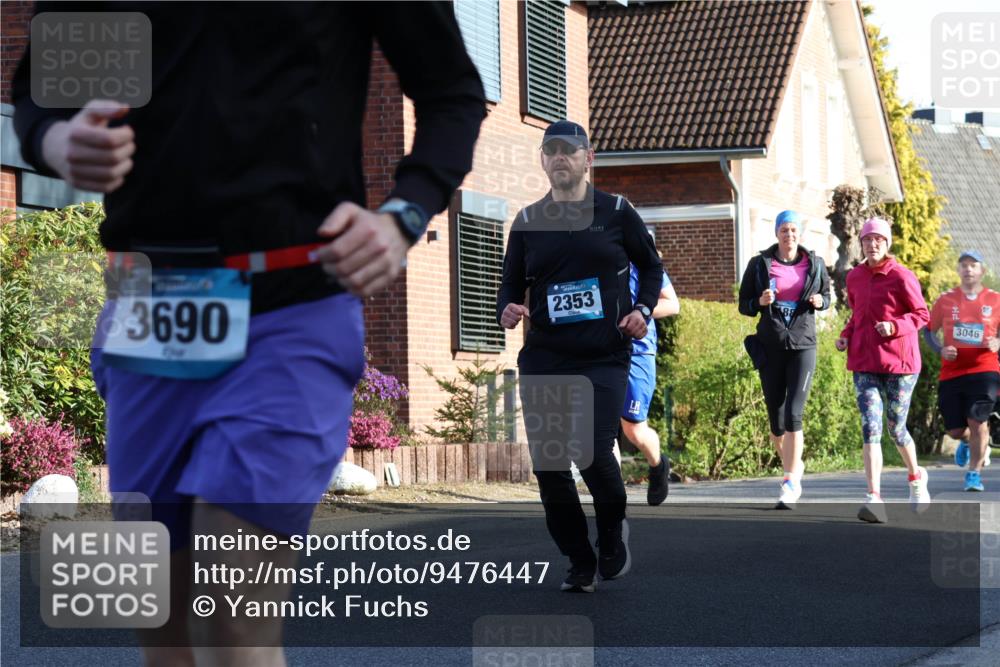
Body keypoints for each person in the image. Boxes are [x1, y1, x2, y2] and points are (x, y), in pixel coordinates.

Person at [13, 4, 485, 665]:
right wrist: (57, 142)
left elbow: (452, 93)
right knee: (162, 627)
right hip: (150, 307)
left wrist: (404, 213)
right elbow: (42, 91)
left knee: (236, 615)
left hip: (293, 307)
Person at [497, 119, 662, 593]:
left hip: (603, 355)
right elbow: (510, 282)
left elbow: (651, 266)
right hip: (546, 356)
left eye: (570, 150)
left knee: (591, 452)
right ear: (543, 160)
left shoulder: (615, 211)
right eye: (551, 150)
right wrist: (505, 306)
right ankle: (578, 558)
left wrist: (642, 310)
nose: (560, 158)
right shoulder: (528, 221)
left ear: (589, 158)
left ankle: (612, 531)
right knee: (550, 466)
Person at [835, 218, 930, 523]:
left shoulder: (902, 276)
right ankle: (874, 498)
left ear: (887, 244)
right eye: (867, 240)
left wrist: (894, 326)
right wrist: (846, 334)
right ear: (861, 244)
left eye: (878, 240)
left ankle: (916, 477)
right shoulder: (855, 277)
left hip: (900, 363)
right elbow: (857, 315)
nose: (872, 245)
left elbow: (922, 314)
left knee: (895, 427)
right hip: (864, 361)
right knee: (870, 426)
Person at [738, 210, 831, 509]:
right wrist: (759, 302)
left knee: (794, 414)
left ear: (799, 234)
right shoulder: (759, 264)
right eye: (784, 230)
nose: (789, 235)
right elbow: (744, 305)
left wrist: (820, 301)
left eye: (793, 230)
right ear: (776, 233)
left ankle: (789, 481)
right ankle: (794, 465)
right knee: (776, 422)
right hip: (771, 346)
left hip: (803, 346)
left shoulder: (814, 264)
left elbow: (827, 296)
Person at [923, 250, 1000, 492]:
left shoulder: (995, 300)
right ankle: (967, 442)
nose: (968, 269)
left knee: (978, 420)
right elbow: (928, 331)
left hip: (985, 370)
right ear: (958, 271)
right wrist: (940, 349)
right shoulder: (945, 300)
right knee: (956, 430)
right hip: (952, 372)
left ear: (982, 272)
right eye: (963, 265)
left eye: (973, 265)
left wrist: (998, 342)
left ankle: (974, 474)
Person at [621, 254, 679, 506]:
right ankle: (611, 496)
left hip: (638, 350)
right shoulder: (588, 255)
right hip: (599, 349)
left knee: (633, 428)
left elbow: (672, 304)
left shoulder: (643, 263)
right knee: (600, 427)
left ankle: (657, 464)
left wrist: (638, 311)